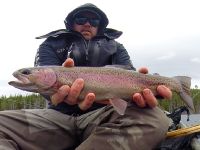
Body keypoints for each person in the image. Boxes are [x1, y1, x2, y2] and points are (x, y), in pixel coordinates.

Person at [0, 3, 171, 150]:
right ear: (72, 23)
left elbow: (133, 82)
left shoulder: (116, 47)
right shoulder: (51, 44)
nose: (87, 24)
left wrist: (145, 95)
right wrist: (52, 94)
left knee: (155, 118)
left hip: (104, 116)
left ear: (100, 25)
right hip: (56, 117)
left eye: (94, 21)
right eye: (81, 20)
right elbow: (45, 89)